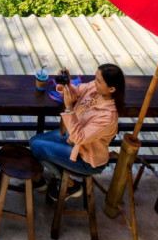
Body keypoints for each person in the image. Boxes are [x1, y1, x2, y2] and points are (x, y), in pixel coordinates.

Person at [29, 63, 124, 198]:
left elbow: (79, 137)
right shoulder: (95, 88)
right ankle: (50, 180)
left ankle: (69, 183)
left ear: (112, 88)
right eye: (95, 77)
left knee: (37, 147)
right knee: (34, 141)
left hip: (85, 158)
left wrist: (69, 108)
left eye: (99, 81)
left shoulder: (107, 116)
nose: (94, 82)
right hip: (72, 139)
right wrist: (66, 84)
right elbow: (77, 92)